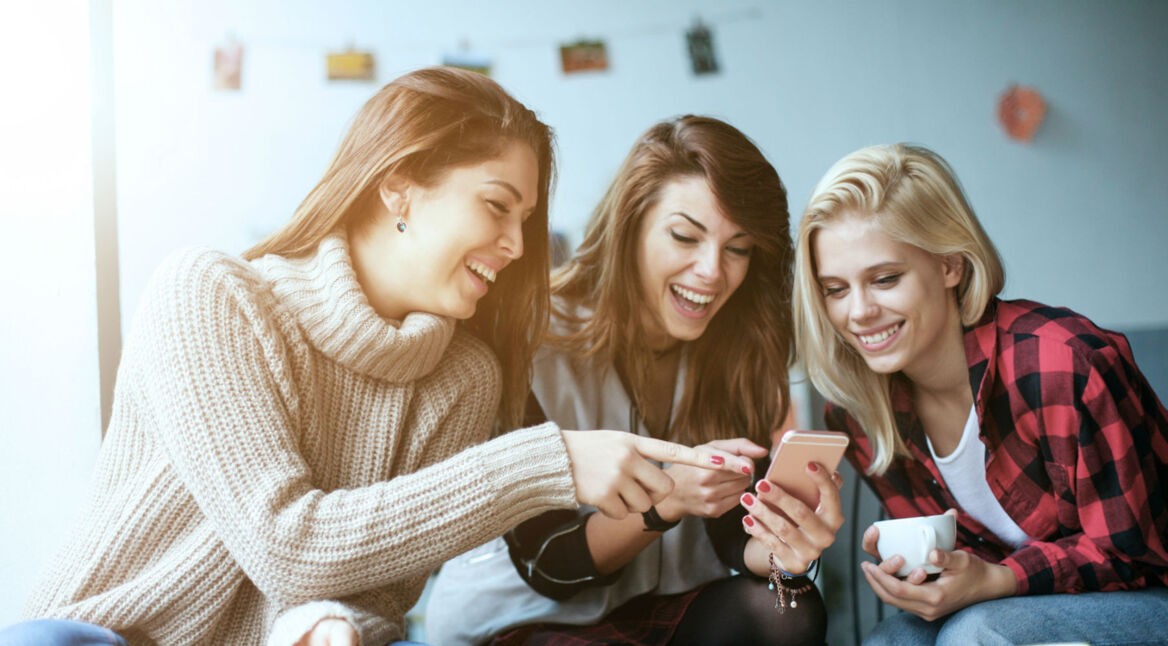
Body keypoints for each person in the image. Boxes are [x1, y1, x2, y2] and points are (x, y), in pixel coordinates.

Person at [1, 67, 753, 646]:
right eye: (497, 206)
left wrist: (327, 625)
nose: (516, 245)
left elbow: (376, 599)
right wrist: (546, 461)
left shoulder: (464, 380)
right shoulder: (212, 295)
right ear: (399, 186)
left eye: (525, 219)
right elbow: (288, 544)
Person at [426, 115, 843, 646]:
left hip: (655, 612)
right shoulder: (526, 342)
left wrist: (786, 547)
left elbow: (732, 541)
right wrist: (667, 500)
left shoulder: (738, 349)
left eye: (737, 248)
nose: (712, 271)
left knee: (789, 607)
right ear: (630, 228)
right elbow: (550, 563)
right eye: (685, 236)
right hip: (522, 619)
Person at [792, 143, 1168, 644]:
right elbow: (968, 563)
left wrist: (998, 579)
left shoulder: (1064, 364)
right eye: (835, 289)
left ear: (951, 265)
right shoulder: (859, 410)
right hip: (1024, 605)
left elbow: (1136, 554)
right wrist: (931, 579)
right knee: (893, 639)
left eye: (884, 279)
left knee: (975, 633)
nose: (857, 312)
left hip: (1150, 595)